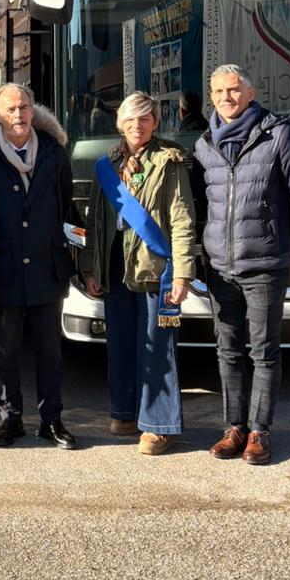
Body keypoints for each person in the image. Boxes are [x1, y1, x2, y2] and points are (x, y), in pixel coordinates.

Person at [194, 64, 290, 465]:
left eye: (234, 90)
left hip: (266, 265)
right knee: (228, 350)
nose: (226, 98)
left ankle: (260, 432)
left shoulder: (277, 134)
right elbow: (199, 204)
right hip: (219, 267)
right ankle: (234, 428)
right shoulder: (204, 144)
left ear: (250, 94)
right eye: (219, 92)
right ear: (211, 98)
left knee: (264, 352)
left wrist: (286, 247)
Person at [82, 91, 196, 456]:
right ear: (119, 124)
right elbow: (94, 223)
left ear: (155, 122)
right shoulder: (106, 164)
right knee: (120, 343)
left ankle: (159, 426)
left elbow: (182, 219)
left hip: (153, 265)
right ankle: (125, 413)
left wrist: (182, 274)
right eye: (130, 119)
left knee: (157, 348)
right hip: (114, 263)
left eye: (145, 118)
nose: (137, 125)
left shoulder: (169, 161)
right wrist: (89, 267)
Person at [0, 83, 77, 450]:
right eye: (10, 109)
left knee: (50, 352)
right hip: (2, 266)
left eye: (24, 107)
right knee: (5, 351)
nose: (18, 115)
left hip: (46, 264)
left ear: (33, 110)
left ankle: (51, 419)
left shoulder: (54, 152)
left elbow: (65, 206)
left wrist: (74, 254)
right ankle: (10, 418)